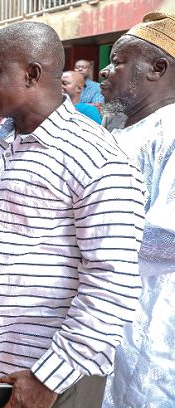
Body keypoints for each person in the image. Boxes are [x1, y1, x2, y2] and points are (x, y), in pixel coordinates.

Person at [0, 21, 146, 408]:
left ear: (32, 74)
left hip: (55, 374)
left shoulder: (97, 158)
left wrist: (47, 378)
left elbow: (112, 285)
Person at [98, 12, 175, 408]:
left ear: (157, 68)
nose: (104, 71)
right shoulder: (118, 131)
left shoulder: (172, 131)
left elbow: (169, 238)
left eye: (119, 61)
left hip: (154, 310)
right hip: (107, 312)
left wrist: (85, 238)